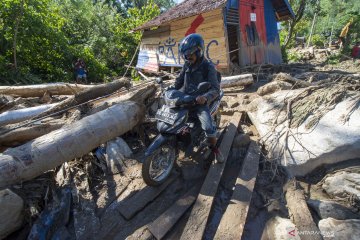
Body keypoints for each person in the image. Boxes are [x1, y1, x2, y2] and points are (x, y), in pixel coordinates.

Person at [173, 33, 224, 163]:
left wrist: (205, 97)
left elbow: (215, 89)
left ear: (199, 51)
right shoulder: (187, 65)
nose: (187, 57)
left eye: (190, 54)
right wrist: (169, 89)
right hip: (185, 100)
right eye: (185, 55)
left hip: (199, 102)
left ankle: (215, 150)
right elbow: (178, 82)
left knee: (208, 127)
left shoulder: (208, 67)